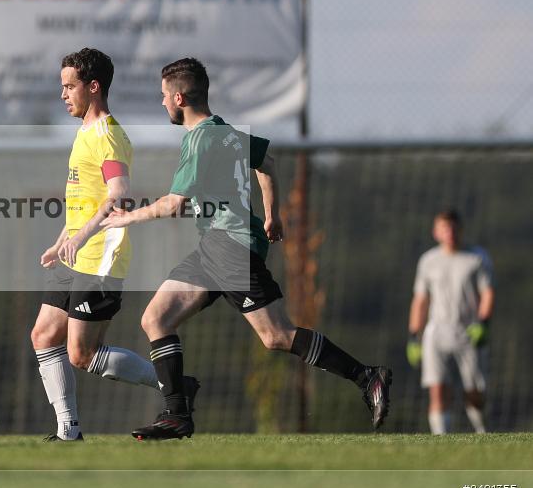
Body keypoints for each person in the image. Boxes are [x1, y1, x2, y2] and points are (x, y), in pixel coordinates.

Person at [101, 57, 392, 440]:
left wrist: (124, 219)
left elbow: (174, 204)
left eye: (163, 97)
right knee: (156, 318)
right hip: (217, 246)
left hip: (229, 247)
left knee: (276, 336)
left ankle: (366, 376)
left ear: (179, 96)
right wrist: (273, 215)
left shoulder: (200, 139)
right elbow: (267, 162)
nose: (161, 104)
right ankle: (177, 413)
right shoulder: (226, 133)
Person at [30, 48, 198, 441]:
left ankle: (174, 386)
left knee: (82, 355)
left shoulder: (108, 135)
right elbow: (82, 200)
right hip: (75, 256)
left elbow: (119, 193)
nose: (63, 94)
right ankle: (67, 430)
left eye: (69, 86)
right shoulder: (83, 132)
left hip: (100, 259)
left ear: (93, 87)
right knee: (43, 335)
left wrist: (84, 237)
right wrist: (62, 242)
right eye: (62, 87)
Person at [407, 209, 494, 434]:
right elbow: (420, 300)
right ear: (436, 232)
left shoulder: (477, 257)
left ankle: (481, 429)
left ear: (460, 230)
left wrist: (483, 323)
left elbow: (487, 293)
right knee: (437, 389)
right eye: (445, 229)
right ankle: (440, 438)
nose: (450, 233)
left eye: (453, 228)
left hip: (468, 331)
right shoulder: (428, 261)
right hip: (436, 332)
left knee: (474, 391)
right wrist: (413, 336)